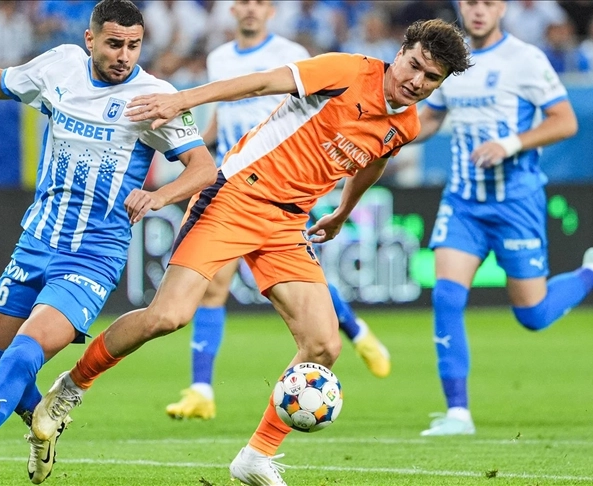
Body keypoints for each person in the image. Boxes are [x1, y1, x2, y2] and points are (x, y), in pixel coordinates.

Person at [32, 18, 471, 486]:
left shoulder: (406, 123)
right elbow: (260, 83)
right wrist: (183, 99)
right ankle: (72, 386)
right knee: (167, 317)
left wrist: (343, 212)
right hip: (236, 196)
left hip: (287, 223)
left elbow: (374, 162)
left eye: (431, 78)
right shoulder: (346, 71)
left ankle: (256, 456)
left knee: (323, 344)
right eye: (414, 65)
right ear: (400, 52)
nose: (417, 81)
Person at [0, 1, 217, 485]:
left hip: (93, 256)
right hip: (37, 241)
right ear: (90, 39)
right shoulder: (60, 66)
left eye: (133, 45)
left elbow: (204, 168)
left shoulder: (155, 97)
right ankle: (43, 421)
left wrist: (160, 195)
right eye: (114, 44)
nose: (124, 55)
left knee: (21, 358)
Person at [166, 0, 391, 423]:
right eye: (244, 3)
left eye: (260, 3)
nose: (251, 9)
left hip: (283, 183)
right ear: (232, 10)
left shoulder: (292, 53)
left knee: (301, 286)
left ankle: (356, 330)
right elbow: (221, 118)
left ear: (271, 11)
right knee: (213, 288)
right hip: (234, 178)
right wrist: (193, 148)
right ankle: (201, 390)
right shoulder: (219, 57)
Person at [415, 0, 593, 437]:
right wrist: (390, 135)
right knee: (446, 297)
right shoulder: (450, 60)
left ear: (502, 8)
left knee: (533, 315)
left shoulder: (525, 59)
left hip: (516, 203)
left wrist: (510, 144)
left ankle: (588, 273)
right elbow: (432, 117)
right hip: (463, 202)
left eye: (488, 3)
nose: (478, 11)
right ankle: (458, 413)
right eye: (471, 2)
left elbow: (565, 121)